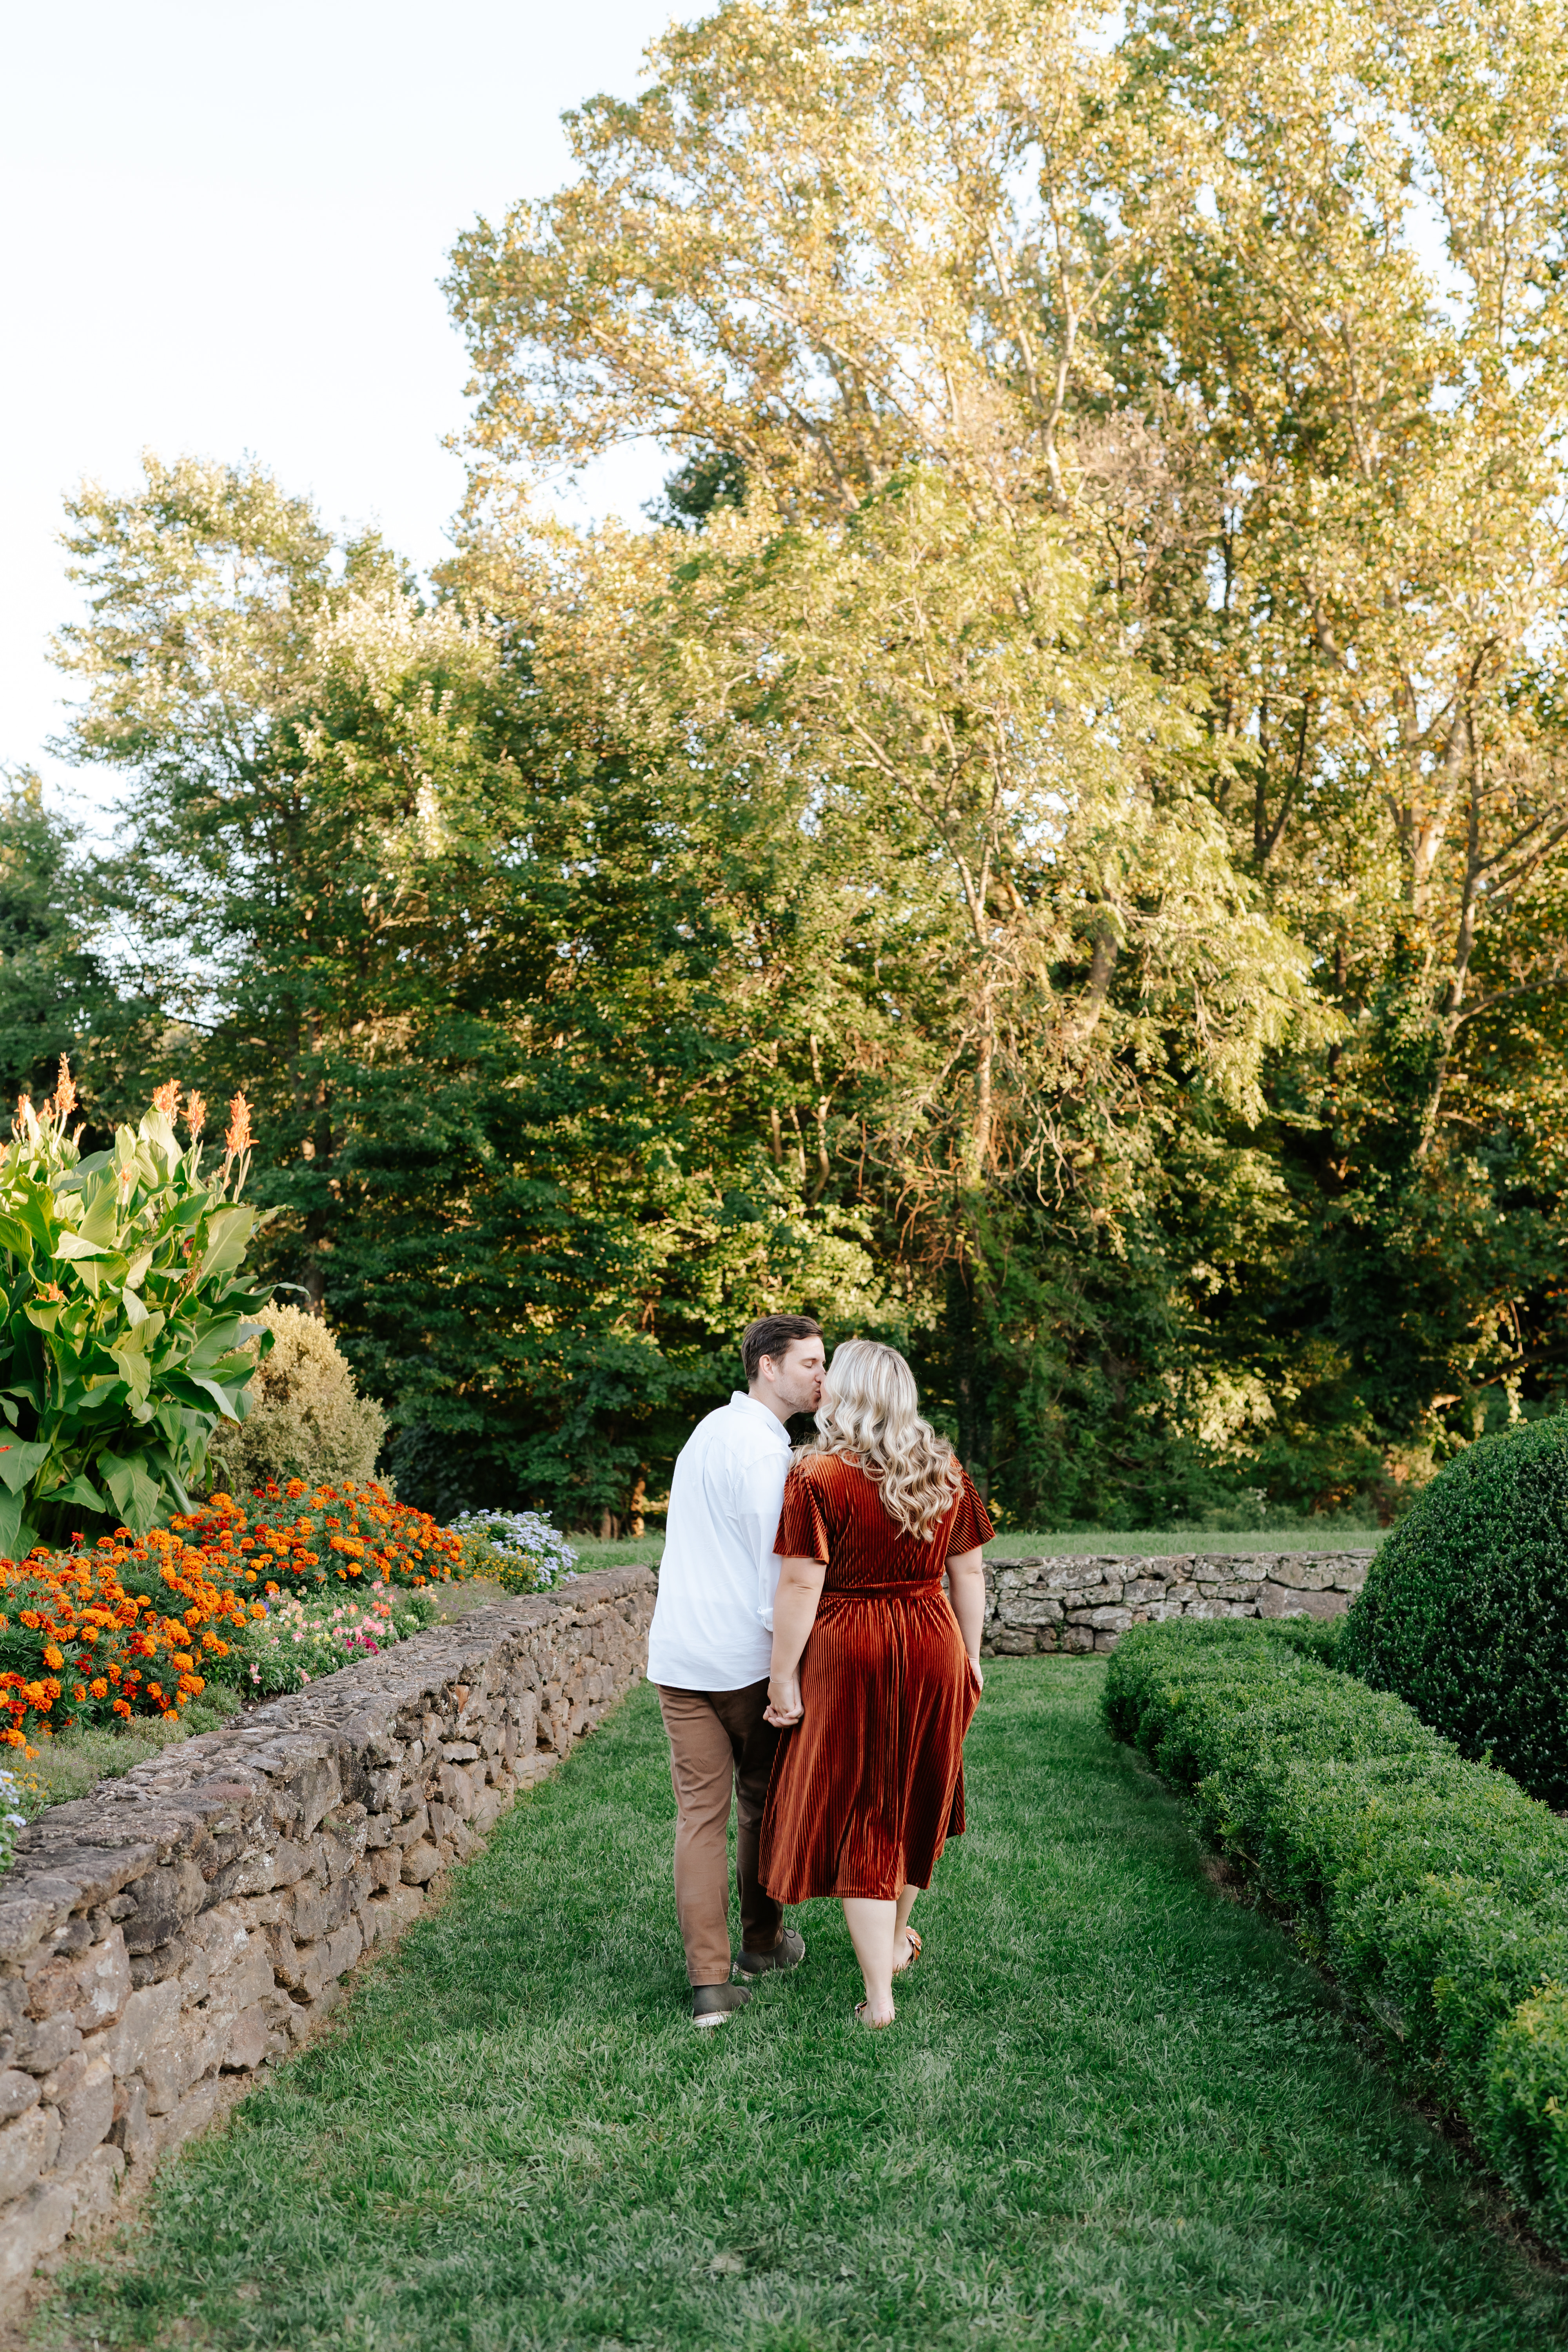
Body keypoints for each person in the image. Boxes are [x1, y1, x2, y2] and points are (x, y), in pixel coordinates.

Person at [759, 1338, 993, 2028]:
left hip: (849, 1645)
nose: (821, 1382)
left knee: (866, 1813)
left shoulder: (816, 1474)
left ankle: (881, 1999)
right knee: (916, 1795)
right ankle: (893, 1942)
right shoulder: (945, 1469)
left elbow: (803, 1581)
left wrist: (783, 1679)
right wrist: (972, 1654)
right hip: (932, 1639)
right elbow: (970, 1573)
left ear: (851, 1392)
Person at [646, 1313, 827, 2027]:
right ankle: (761, 1945)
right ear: (768, 1367)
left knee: (699, 1817)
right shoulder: (764, 1456)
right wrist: (789, 1671)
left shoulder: (707, 1433)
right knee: (759, 1804)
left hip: (680, 1654)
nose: (822, 1376)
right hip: (743, 1663)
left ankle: (708, 1987)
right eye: (810, 1363)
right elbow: (777, 1575)